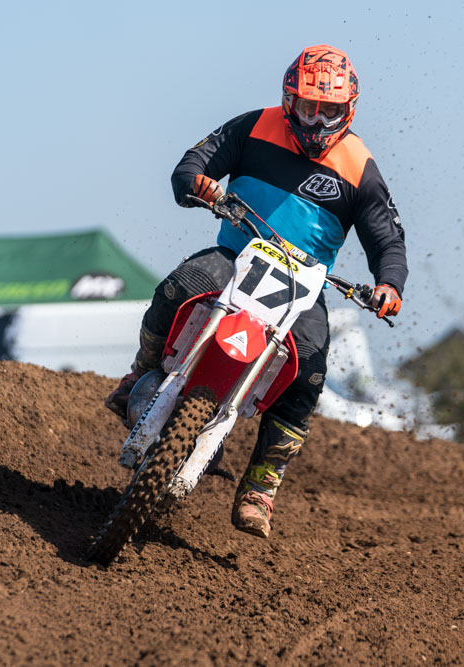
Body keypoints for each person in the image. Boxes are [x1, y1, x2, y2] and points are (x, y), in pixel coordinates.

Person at [105, 44, 408, 539]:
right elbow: (192, 164)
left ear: (348, 110)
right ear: (289, 100)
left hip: (303, 286)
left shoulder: (359, 166)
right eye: (308, 107)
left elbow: (388, 239)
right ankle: (139, 374)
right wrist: (199, 184)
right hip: (235, 253)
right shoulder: (253, 126)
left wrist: (389, 284)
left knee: (310, 369)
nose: (317, 121)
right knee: (178, 287)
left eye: (329, 111)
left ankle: (261, 487)